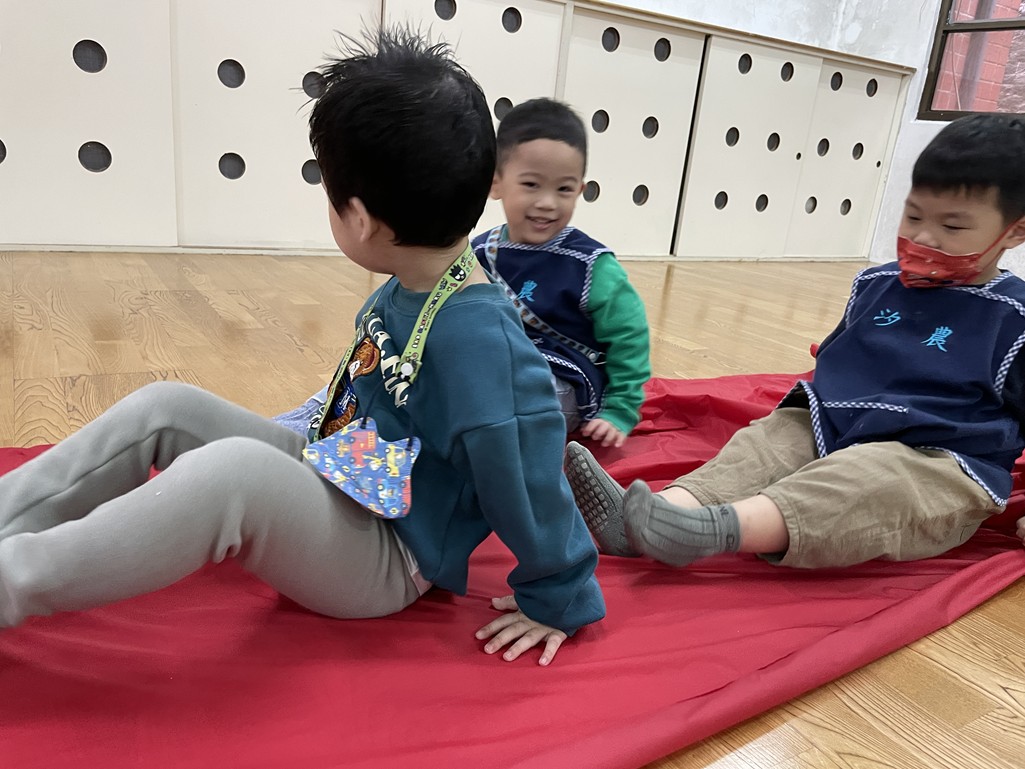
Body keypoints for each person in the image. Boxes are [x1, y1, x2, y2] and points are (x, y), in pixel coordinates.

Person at [0, 28, 604, 666]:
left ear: (361, 220)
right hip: (345, 464)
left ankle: (15, 581)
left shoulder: (483, 349)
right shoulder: (422, 276)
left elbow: (531, 477)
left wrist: (558, 593)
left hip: (387, 552)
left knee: (234, 474)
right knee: (165, 407)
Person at [565, 113, 1025, 566]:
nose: (923, 237)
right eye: (913, 215)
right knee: (771, 439)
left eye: (952, 227)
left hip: (940, 461)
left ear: (1016, 230)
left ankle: (710, 530)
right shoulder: (875, 284)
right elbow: (838, 362)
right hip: (838, 427)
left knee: (868, 480)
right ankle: (654, 517)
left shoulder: (1015, 317)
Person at [470, 98, 650, 449]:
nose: (548, 203)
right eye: (531, 184)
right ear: (496, 183)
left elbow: (630, 336)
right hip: (495, 366)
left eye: (564, 189)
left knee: (512, 395)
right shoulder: (480, 253)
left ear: (580, 190)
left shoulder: (591, 265)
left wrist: (621, 408)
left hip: (564, 382)